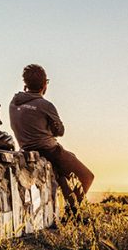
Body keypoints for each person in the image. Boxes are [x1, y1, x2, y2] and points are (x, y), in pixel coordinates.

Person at [9, 64, 94, 218]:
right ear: (44, 85)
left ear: (25, 85)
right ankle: (71, 216)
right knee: (87, 176)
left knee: (63, 175)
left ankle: (74, 213)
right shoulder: (45, 105)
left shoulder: (14, 103)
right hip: (49, 150)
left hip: (26, 148)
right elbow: (60, 132)